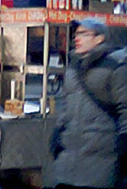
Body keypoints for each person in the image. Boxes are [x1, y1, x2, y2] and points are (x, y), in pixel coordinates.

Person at [49, 18, 127, 189]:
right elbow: (65, 105)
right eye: (76, 34)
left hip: (100, 164)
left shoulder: (116, 68)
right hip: (68, 164)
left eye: (84, 34)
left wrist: (124, 143)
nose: (77, 38)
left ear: (99, 38)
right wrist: (58, 132)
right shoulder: (72, 69)